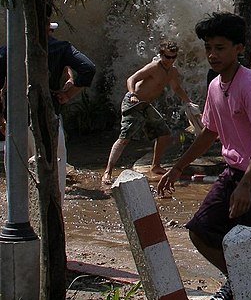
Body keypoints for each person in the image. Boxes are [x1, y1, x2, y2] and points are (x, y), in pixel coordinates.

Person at [157, 12, 251, 300]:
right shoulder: (215, 86)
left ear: (238, 48)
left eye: (220, 48)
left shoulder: (250, 85)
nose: (212, 55)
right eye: (208, 48)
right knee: (201, 231)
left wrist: (247, 185)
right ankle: (238, 280)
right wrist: (178, 167)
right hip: (234, 173)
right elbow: (208, 133)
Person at [0, 20, 96, 199]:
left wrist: (1, 119)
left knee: (18, 181)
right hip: (48, 118)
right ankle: (53, 220)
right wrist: (68, 95)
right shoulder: (61, 48)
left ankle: (21, 220)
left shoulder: (8, 50)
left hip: (16, 120)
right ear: (47, 28)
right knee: (54, 178)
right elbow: (88, 68)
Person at [102, 40, 197, 185]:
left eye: (173, 57)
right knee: (125, 138)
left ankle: (156, 166)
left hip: (146, 105)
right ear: (161, 54)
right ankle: (107, 172)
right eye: (167, 56)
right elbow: (132, 78)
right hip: (133, 103)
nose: (169, 60)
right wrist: (132, 94)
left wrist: (188, 102)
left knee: (164, 133)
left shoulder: (172, 71)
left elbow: (176, 88)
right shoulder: (153, 67)